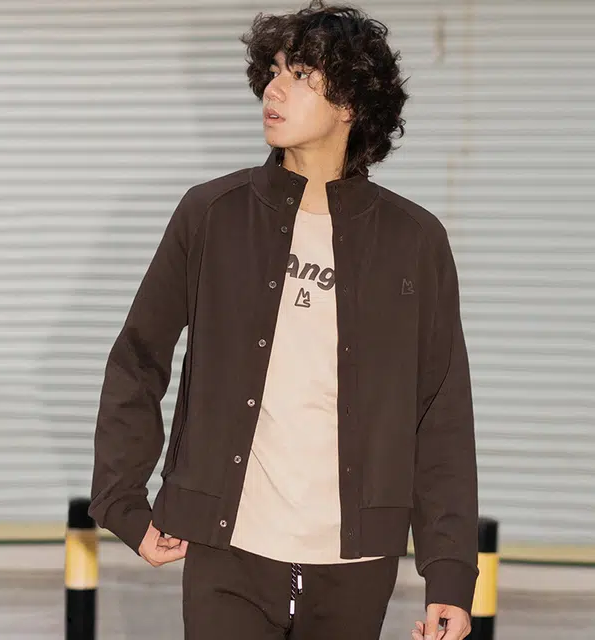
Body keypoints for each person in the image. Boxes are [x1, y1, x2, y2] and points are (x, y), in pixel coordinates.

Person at [89, 1, 479, 639]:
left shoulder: (414, 240)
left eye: (300, 75)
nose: (274, 89)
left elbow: (440, 413)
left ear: (350, 101)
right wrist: (122, 500)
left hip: (356, 561)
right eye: (272, 71)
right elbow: (138, 359)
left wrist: (451, 574)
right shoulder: (212, 214)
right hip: (226, 546)